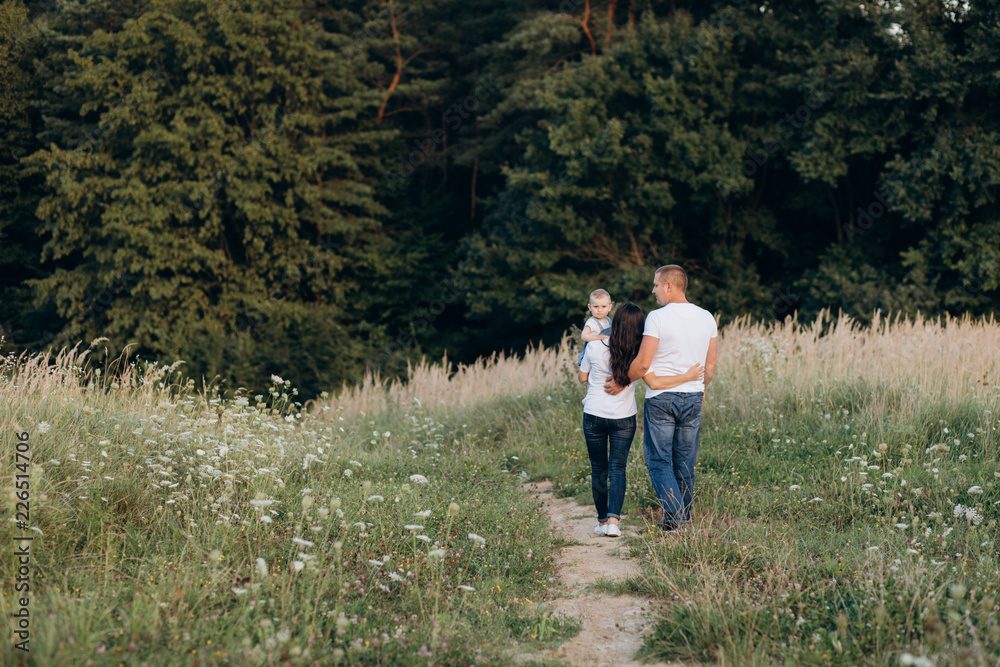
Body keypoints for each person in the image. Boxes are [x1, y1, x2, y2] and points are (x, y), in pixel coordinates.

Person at [605, 265, 717, 532]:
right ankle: (682, 520)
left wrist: (622, 380)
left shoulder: (657, 317)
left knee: (658, 461)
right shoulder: (707, 317)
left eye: (656, 285)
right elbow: (710, 366)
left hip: (661, 400)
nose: (653, 290)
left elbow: (643, 364)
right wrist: (700, 390)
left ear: (669, 286)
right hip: (693, 397)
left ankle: (675, 519)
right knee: (684, 462)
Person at [578, 302, 704, 537]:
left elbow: (582, 377)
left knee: (598, 468)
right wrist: (690, 378)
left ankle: (602, 521)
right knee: (618, 467)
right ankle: (615, 522)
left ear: (614, 322)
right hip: (624, 417)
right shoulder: (639, 352)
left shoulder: (594, 347)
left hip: (594, 413)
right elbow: (649, 377)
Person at [576, 289, 613, 366]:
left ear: (609, 307)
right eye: (596, 307)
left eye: (603, 307)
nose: (600, 310)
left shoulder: (609, 321)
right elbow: (584, 336)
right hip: (592, 357)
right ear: (590, 307)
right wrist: (599, 337)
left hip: (604, 356)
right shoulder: (591, 322)